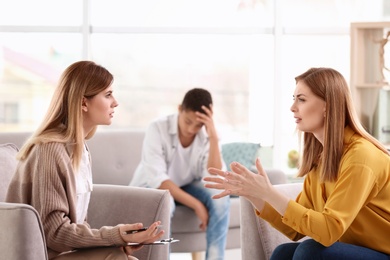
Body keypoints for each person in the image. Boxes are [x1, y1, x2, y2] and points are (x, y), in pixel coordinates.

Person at [204, 67, 390, 259]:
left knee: (310, 251)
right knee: (283, 253)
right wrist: (254, 194)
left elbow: (329, 230)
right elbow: (293, 230)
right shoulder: (323, 160)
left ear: (327, 105)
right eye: (294, 99)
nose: (293, 107)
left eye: (301, 99)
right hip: (361, 250)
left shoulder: (360, 158)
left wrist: (269, 191)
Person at [5, 60, 164, 260]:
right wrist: (115, 236)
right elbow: (53, 233)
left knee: (123, 257)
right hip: (42, 255)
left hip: (63, 253)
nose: (115, 102)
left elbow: (77, 227)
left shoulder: (80, 150)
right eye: (107, 95)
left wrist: (117, 244)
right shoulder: (49, 150)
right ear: (83, 102)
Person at [130, 88, 230, 260]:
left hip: (186, 185)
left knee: (220, 198)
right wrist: (197, 205)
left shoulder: (205, 134)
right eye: (188, 121)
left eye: (198, 124)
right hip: (151, 186)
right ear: (179, 109)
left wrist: (213, 137)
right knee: (166, 203)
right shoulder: (157, 128)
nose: (192, 129)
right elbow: (158, 179)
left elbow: (214, 177)